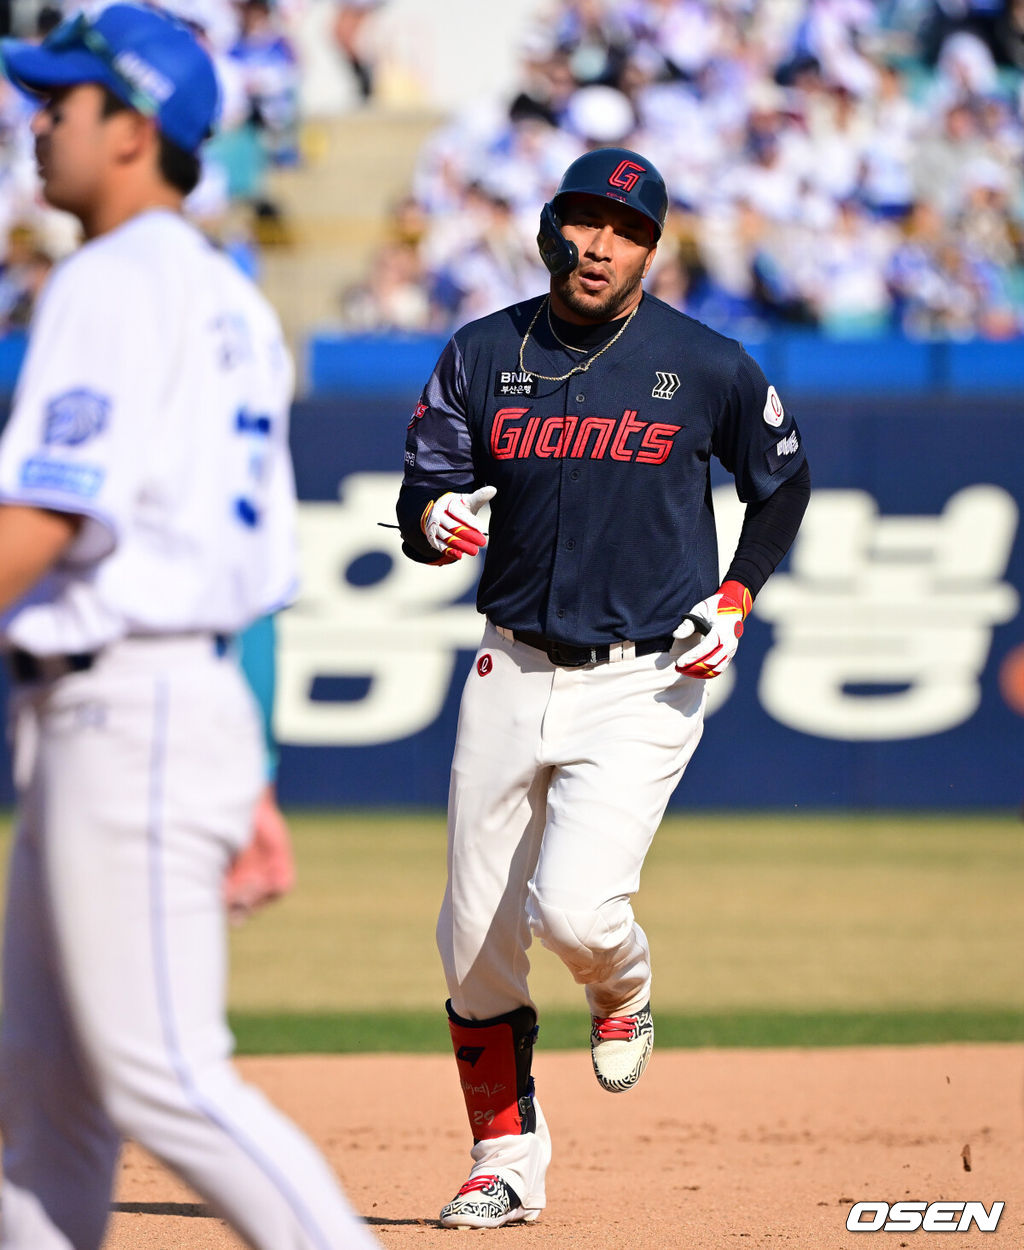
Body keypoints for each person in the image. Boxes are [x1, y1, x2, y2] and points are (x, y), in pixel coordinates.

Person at [0, 8, 380, 1249]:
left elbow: (50, 513)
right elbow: (250, 565)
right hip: (151, 698)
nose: (38, 118)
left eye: (64, 99)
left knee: (162, 1073)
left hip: (130, 708)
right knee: (41, 1096)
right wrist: (245, 761)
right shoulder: (227, 297)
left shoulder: (111, 278)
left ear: (134, 128)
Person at [396, 145, 811, 1229]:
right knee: (472, 935)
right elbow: (426, 484)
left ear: (650, 248)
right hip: (507, 660)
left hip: (646, 675)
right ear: (550, 229)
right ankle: (505, 1155)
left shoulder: (704, 362)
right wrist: (431, 520)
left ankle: (619, 987)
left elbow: (782, 479)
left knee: (575, 911)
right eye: (583, 222)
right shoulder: (486, 350)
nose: (598, 245)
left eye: (624, 230)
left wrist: (737, 596)